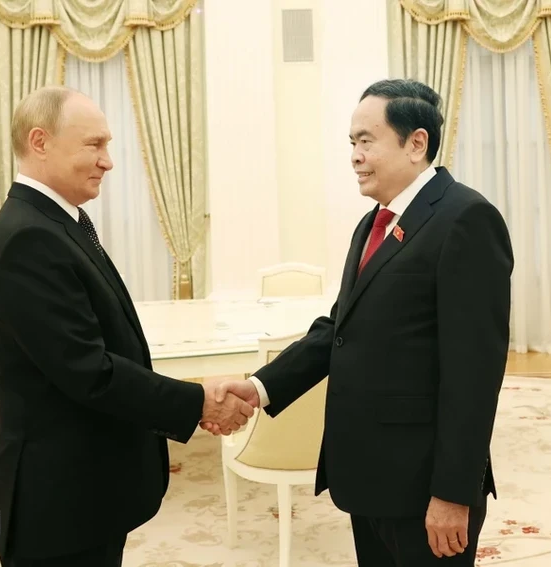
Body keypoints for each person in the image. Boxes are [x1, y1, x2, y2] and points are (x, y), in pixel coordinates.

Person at [202, 79, 514, 565]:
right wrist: (260, 388)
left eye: (367, 140)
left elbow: (474, 375)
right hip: (370, 476)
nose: (355, 155)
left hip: (424, 485)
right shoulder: (373, 222)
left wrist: (453, 493)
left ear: (417, 143)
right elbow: (338, 328)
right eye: (352, 142)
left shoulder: (466, 219)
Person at [0, 85, 254, 567]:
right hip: (56, 504)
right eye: (95, 144)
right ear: (40, 142)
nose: (108, 161)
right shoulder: (28, 238)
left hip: (83, 493)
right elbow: (89, 371)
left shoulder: (56, 222)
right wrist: (197, 401)